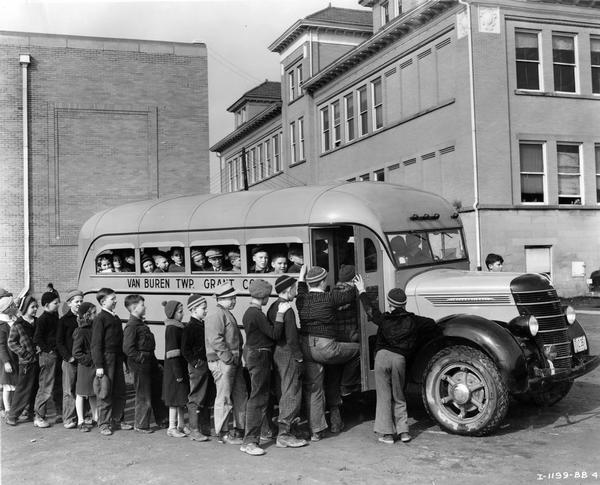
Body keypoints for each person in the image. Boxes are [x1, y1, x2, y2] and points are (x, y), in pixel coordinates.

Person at [358, 284, 441, 444]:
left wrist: (362, 291)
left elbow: (370, 310)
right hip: (399, 359)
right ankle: (404, 432)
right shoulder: (414, 321)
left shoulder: (383, 319)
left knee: (383, 396)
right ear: (405, 304)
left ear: (390, 304)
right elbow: (432, 324)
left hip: (381, 358)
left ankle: (387, 434)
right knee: (399, 395)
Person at [295, 265, 361, 441]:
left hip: (306, 348)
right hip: (326, 348)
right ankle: (347, 385)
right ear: (323, 282)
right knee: (361, 351)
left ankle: (316, 431)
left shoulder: (301, 299)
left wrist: (301, 277)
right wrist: (359, 286)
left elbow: (300, 289)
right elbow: (349, 294)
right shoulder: (328, 298)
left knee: (314, 389)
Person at [240, 279, 286, 456]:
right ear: (264, 296)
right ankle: (250, 441)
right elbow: (274, 334)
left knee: (260, 396)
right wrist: (281, 314)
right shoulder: (256, 314)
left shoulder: (251, 312)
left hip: (255, 354)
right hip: (259, 355)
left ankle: (262, 433)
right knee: (258, 397)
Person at [267, 275, 308, 448]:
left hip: (277, 353)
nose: (296, 292)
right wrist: (299, 357)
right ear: (287, 290)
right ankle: (284, 434)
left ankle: (285, 429)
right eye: (294, 288)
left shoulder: (273, 307)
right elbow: (291, 338)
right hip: (288, 353)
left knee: (283, 390)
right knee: (292, 392)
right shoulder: (288, 310)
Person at [205, 283, 247, 445]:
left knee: (239, 395)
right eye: (231, 298)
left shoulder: (224, 313)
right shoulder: (217, 314)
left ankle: (239, 429)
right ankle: (222, 432)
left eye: (234, 298)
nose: (234, 301)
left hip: (231, 362)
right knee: (224, 398)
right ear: (221, 299)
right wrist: (228, 358)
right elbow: (215, 339)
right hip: (223, 362)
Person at [122, 295, 166, 434]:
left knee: (156, 391)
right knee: (143, 394)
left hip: (149, 361)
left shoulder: (140, 324)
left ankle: (162, 419)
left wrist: (153, 362)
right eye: (142, 305)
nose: (145, 307)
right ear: (134, 308)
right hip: (140, 365)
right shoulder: (132, 326)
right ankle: (141, 425)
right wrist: (141, 358)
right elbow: (128, 348)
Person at [91, 287, 133, 436]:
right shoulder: (100, 318)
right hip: (106, 359)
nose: (116, 301)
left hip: (117, 358)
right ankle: (104, 423)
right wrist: (99, 366)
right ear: (103, 302)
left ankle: (117, 419)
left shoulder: (115, 318)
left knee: (120, 390)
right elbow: (96, 344)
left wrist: (126, 362)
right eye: (112, 299)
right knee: (105, 392)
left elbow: (121, 342)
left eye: (115, 298)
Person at [181, 294, 212, 442]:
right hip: (198, 365)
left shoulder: (200, 324)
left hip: (204, 363)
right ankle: (194, 429)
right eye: (203, 308)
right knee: (196, 397)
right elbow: (185, 349)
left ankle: (204, 427)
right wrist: (195, 362)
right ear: (193, 309)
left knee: (205, 396)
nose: (206, 311)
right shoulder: (190, 327)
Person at [5, 296, 39, 426]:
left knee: (34, 388)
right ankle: (12, 416)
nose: (35, 309)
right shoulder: (18, 325)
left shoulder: (36, 322)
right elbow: (11, 343)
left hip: (37, 360)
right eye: (32, 307)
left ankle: (30, 413)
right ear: (25, 308)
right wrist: (25, 353)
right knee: (23, 389)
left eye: (36, 307)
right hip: (25, 363)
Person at [32, 290, 62, 428]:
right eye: (55, 303)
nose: (58, 305)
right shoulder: (43, 319)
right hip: (48, 356)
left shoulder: (54, 316)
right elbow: (37, 338)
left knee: (57, 385)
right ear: (46, 304)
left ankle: (60, 413)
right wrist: (49, 350)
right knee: (45, 387)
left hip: (55, 355)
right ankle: (39, 417)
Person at [162, 300, 190, 438]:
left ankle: (181, 425)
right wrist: (178, 373)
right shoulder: (172, 329)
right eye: (180, 312)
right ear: (172, 314)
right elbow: (172, 353)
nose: (182, 314)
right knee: (174, 399)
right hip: (174, 370)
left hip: (178, 368)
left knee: (180, 398)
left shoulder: (177, 327)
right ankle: (172, 427)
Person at [56, 289, 83, 429]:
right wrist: (68, 357)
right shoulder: (64, 321)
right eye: (76, 301)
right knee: (69, 390)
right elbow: (59, 342)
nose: (79, 304)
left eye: (81, 301)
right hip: (70, 361)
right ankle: (68, 418)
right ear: (69, 303)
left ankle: (83, 416)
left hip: (83, 360)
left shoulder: (84, 318)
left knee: (82, 389)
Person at [72, 302, 98, 432]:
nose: (96, 315)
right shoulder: (81, 331)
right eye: (93, 313)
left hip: (91, 364)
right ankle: (81, 421)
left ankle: (96, 417)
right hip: (85, 366)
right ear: (87, 315)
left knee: (93, 393)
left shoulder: (93, 327)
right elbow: (76, 352)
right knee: (81, 394)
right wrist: (89, 359)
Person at [0, 290, 18, 418]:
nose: (15, 307)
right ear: (7, 309)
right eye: (12, 306)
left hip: (16, 357)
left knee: (15, 385)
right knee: (8, 386)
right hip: (8, 359)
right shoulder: (2, 324)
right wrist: (6, 362)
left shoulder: (14, 320)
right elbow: (1, 345)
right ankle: (7, 409)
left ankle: (13, 407)